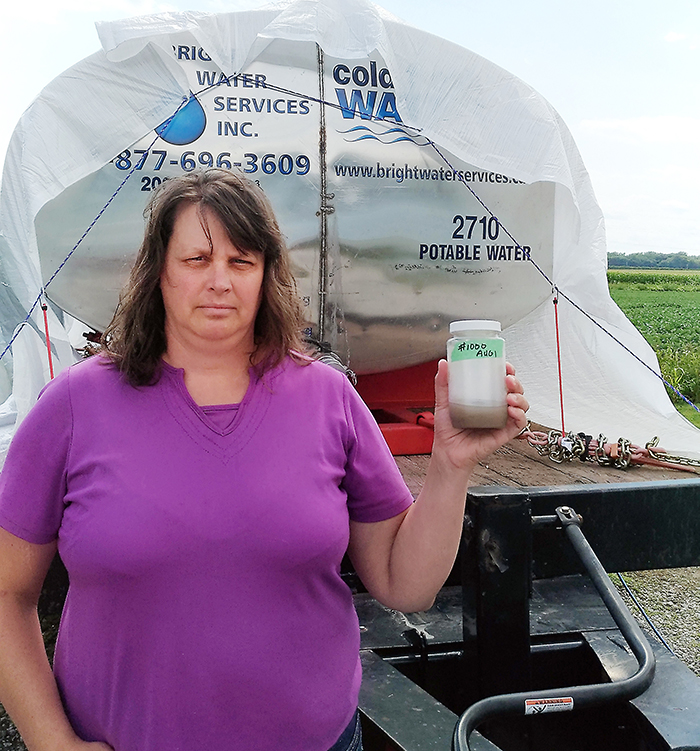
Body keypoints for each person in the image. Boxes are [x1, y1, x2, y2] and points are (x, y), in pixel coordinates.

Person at [0, 169, 528, 751]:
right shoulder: (75, 405)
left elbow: (406, 585)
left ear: (267, 275)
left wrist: (452, 465)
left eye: (242, 261)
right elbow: (6, 593)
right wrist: (50, 741)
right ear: (158, 274)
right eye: (197, 259)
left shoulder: (328, 397)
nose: (220, 280)